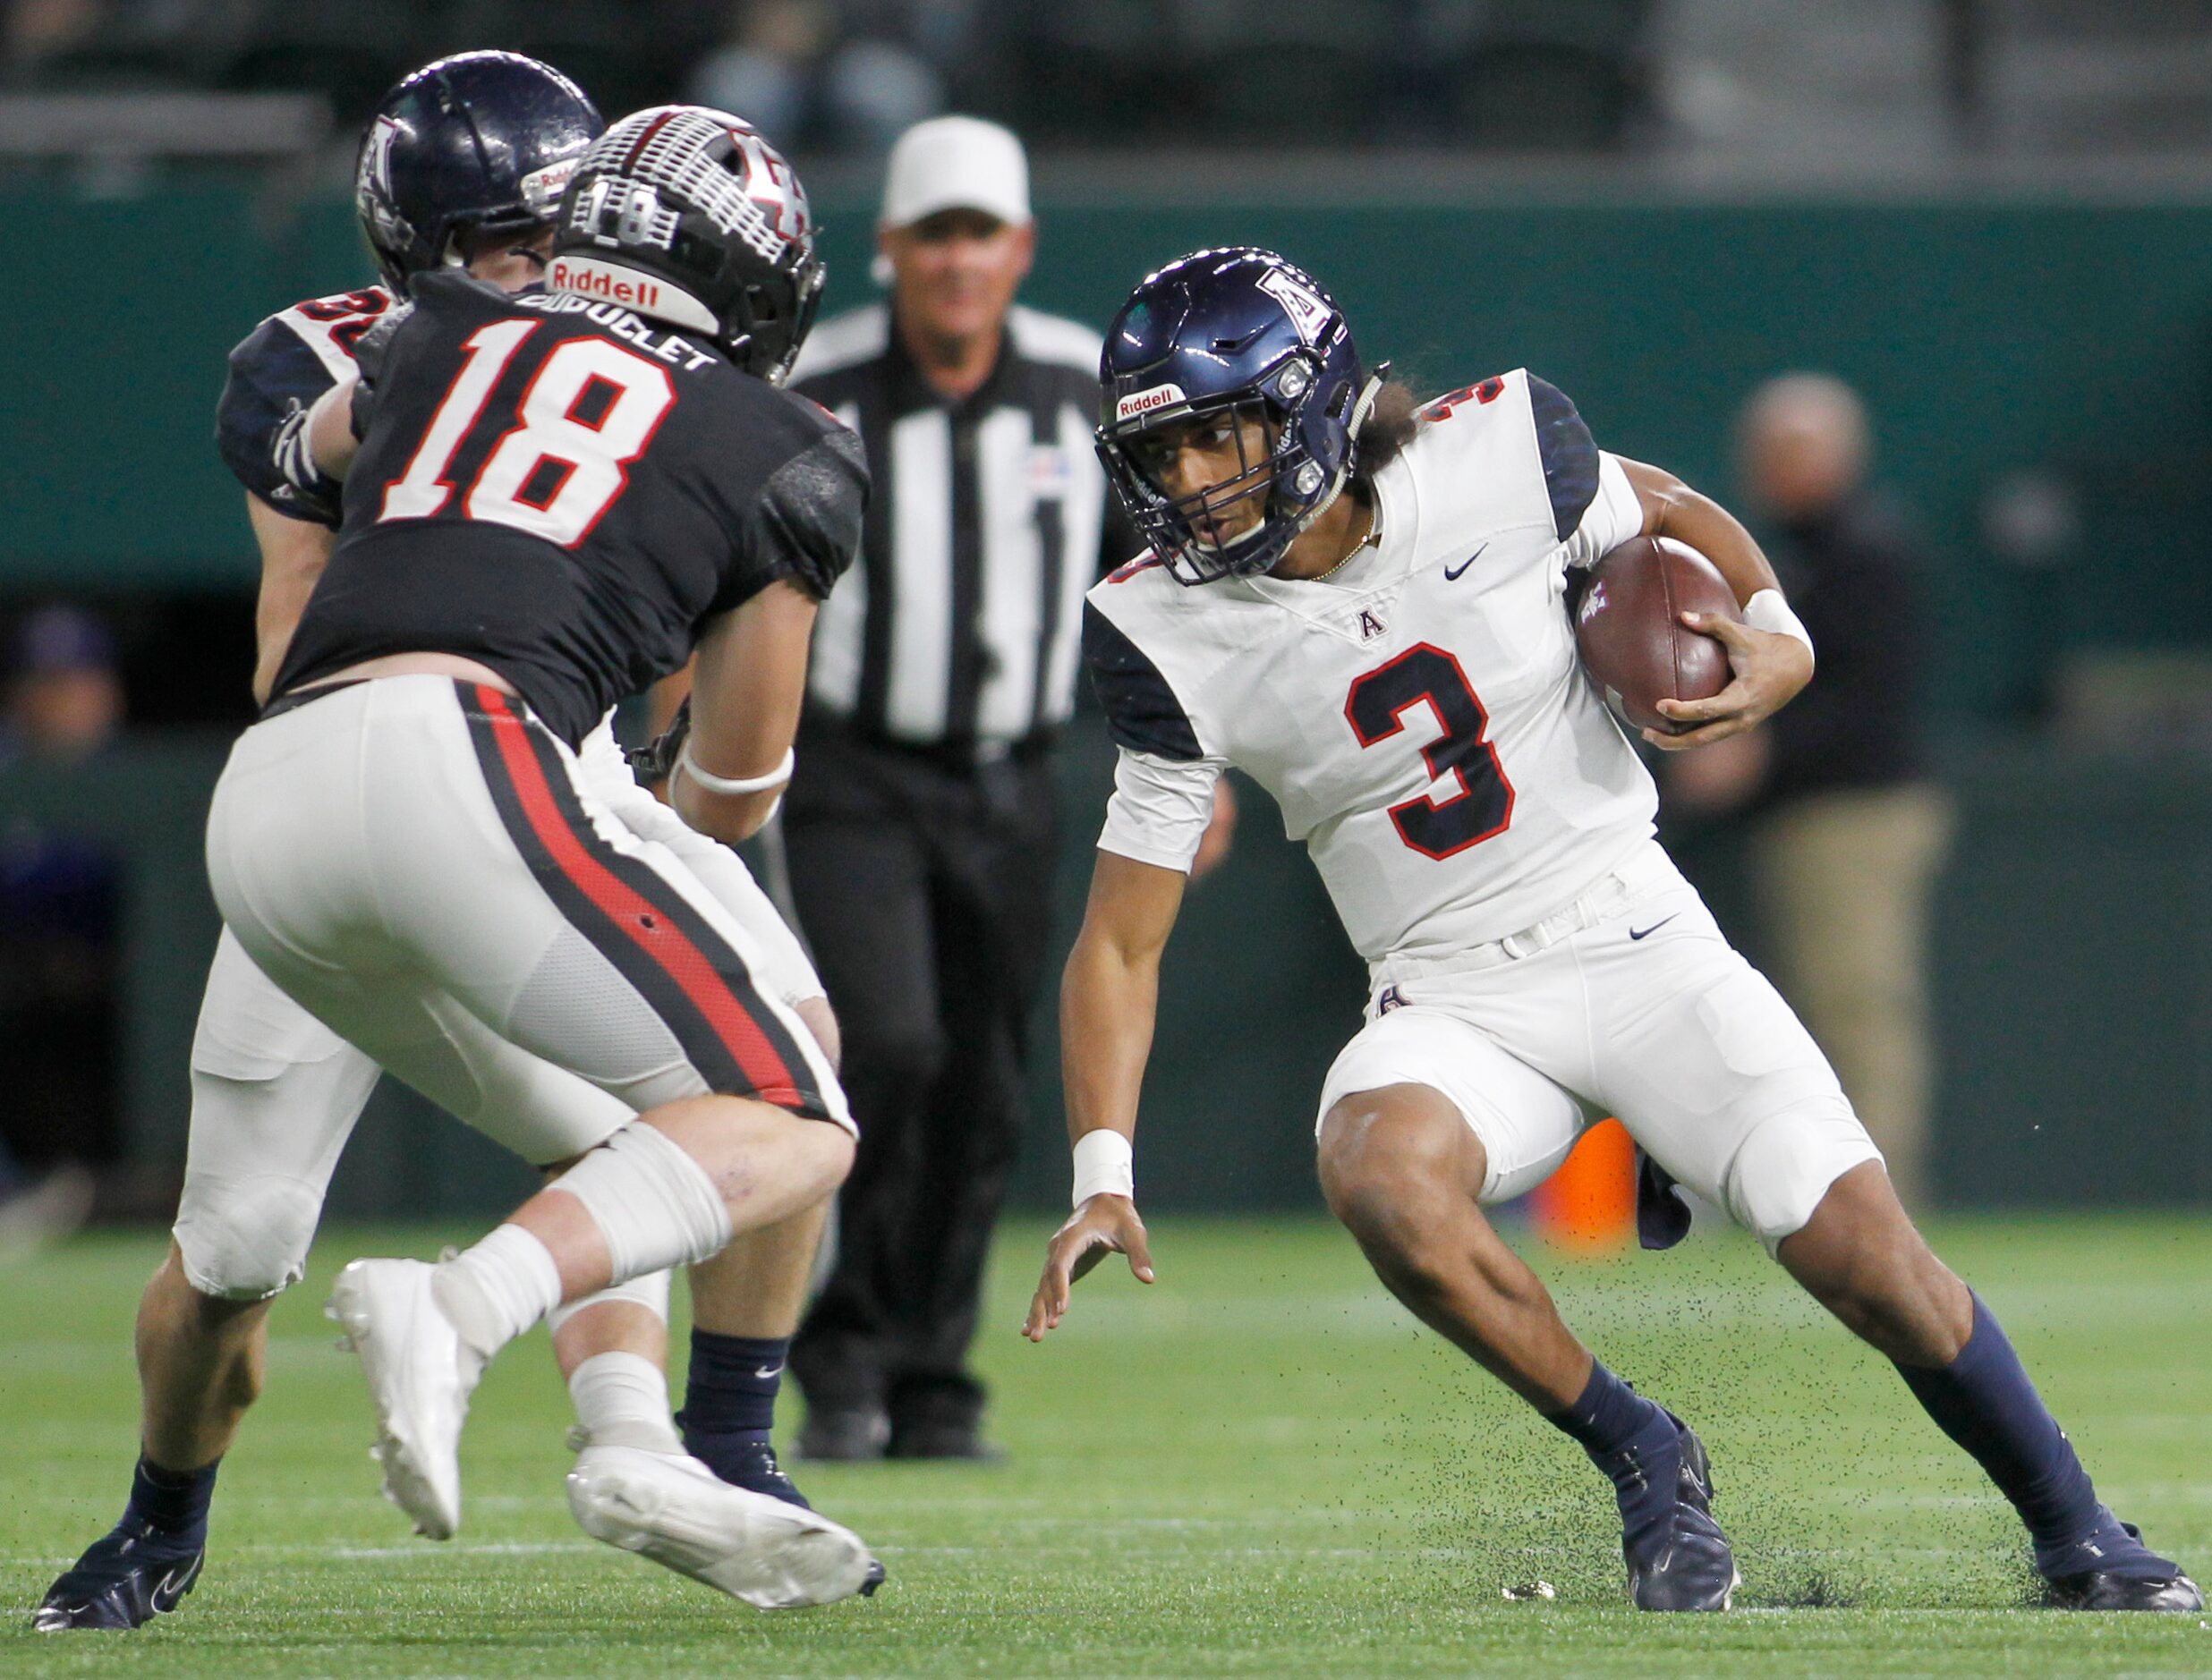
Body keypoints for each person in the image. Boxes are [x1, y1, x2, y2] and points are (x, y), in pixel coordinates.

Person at [1024, 248, 2199, 1615]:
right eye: (1158, 454)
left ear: (1311, 407)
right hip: (1448, 994)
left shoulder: (1501, 446)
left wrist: (1776, 627)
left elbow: (1671, 504)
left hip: (1640, 937)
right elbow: (1118, 942)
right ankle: (1644, 1454)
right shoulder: (1161, 629)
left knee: (1873, 1267)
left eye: (1214, 438)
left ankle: (2075, 1527)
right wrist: (1101, 1167)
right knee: (1382, 1177)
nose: (1186, 487)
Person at [35, 69, 861, 1634]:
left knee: (651, 1116)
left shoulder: (428, 348)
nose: (530, 265)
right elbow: (302, 601)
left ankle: (675, 1447)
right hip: (445, 755)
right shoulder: (366, 347)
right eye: (497, 241)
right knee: (235, 1257)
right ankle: (166, 1515)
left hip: (464, 776)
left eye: (551, 231)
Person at [776, 115, 1229, 1462]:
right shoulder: (820, 384)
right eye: (937, 235)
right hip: (855, 770)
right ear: (893, 251)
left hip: (1013, 776)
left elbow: (1171, 584)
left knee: (985, 1082)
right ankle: (845, 1352)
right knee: (893, 1050)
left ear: (1018, 247)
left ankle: (930, 1378)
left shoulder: (1078, 389)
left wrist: (1204, 767)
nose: (961, 260)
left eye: (983, 234)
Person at [1663, 372, 1951, 1209]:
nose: (1769, 469)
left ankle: (1882, 1198)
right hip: (1807, 813)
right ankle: (1825, 1191)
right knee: (1817, 1008)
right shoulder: (1782, 551)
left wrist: (1757, 753)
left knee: (1859, 1004)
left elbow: (1871, 703)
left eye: (1790, 452)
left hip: (1857, 811)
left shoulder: (1866, 550)